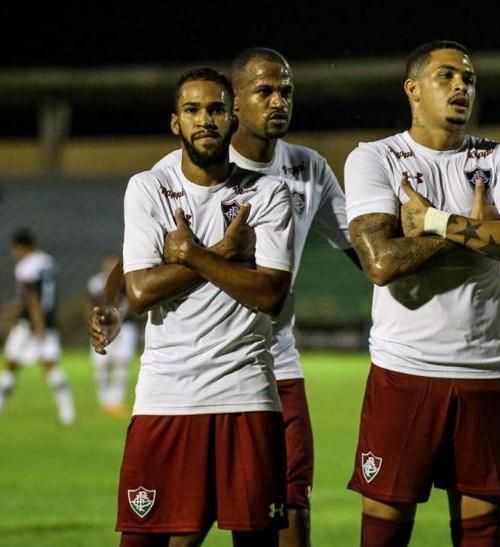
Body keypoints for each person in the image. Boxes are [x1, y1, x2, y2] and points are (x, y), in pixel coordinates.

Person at [94, 47, 357, 547]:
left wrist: (438, 245)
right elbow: (137, 268)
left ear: (228, 113)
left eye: (286, 91)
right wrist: (114, 303)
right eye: (265, 91)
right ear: (238, 103)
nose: (278, 101)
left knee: (288, 511)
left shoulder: (302, 173)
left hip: (268, 369)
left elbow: (359, 254)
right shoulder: (167, 176)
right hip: (178, 381)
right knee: (180, 529)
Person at [344, 40, 500, 547]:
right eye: (447, 76)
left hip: (484, 372)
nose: (462, 86)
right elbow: (381, 262)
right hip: (405, 371)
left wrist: (433, 223)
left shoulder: (497, 156)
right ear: (413, 89)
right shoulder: (375, 158)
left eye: (470, 78)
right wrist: (476, 234)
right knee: (384, 534)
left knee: (482, 535)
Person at [116, 66, 295, 547]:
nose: (205, 120)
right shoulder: (148, 189)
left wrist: (192, 253)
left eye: (216, 109)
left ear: (234, 118)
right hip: (166, 395)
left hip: (247, 394)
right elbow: (139, 292)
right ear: (175, 122)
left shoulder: (269, 193)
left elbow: (271, 294)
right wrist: (223, 254)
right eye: (192, 110)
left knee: (256, 540)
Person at [0, 229, 75, 426]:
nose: (14, 253)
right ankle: (67, 413)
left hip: (31, 324)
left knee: (11, 364)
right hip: (48, 321)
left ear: (22, 246)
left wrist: (37, 324)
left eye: (15, 249)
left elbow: (32, 298)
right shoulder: (48, 261)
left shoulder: (26, 267)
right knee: (51, 365)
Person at [88, 255, 137, 416]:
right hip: (103, 326)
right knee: (101, 364)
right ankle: (104, 401)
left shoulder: (129, 280)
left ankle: (116, 401)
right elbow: (93, 305)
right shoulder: (96, 282)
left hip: (125, 326)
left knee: (122, 364)